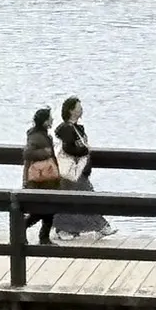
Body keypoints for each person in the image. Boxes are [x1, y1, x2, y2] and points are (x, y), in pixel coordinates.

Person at [52, 96, 111, 237]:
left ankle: (70, 229)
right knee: (85, 198)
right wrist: (85, 150)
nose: (81, 110)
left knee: (76, 200)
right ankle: (100, 226)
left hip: (79, 171)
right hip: (71, 171)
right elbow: (68, 149)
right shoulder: (66, 129)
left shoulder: (77, 128)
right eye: (78, 108)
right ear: (71, 110)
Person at [22, 106, 62, 245]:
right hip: (39, 180)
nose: (52, 120)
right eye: (50, 118)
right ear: (45, 121)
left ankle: (44, 237)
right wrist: (45, 153)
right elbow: (27, 153)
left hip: (47, 179)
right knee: (41, 210)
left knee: (50, 210)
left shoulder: (44, 135)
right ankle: (22, 228)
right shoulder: (36, 137)